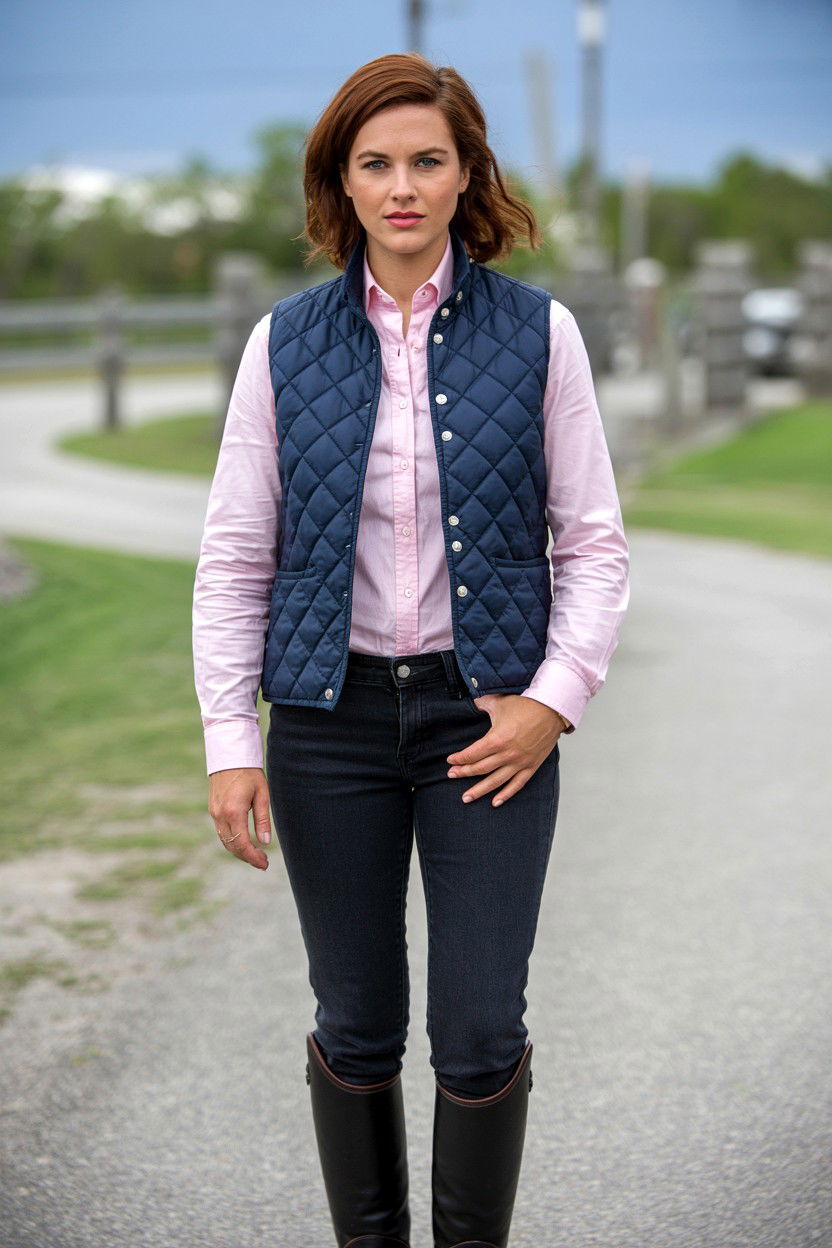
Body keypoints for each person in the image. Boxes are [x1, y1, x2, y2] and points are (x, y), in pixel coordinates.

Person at [192, 50, 629, 1248]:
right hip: (325, 728)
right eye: (374, 163)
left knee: (481, 1026)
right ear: (340, 180)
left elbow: (594, 544)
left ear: (465, 173)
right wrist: (231, 743)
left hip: (484, 727)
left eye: (426, 161)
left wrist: (551, 701)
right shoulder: (283, 344)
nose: (401, 187)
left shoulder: (541, 335)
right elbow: (234, 556)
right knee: (356, 1023)